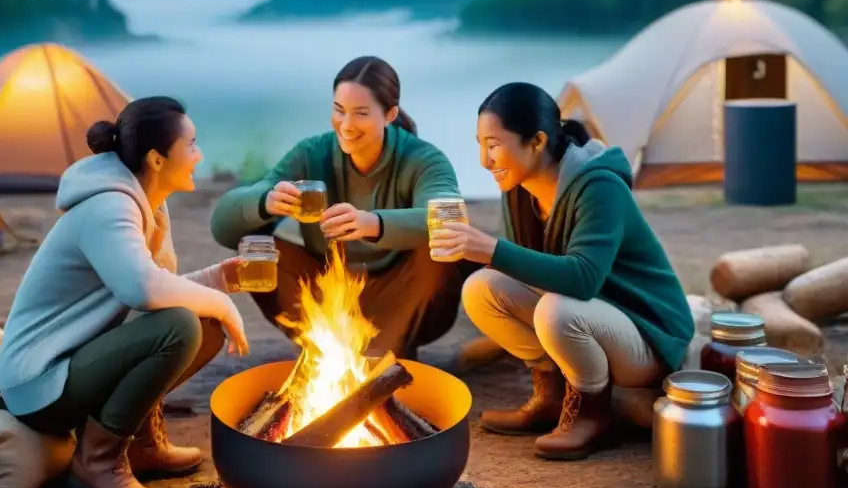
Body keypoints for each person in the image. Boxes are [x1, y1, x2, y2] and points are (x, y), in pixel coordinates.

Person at [0, 96, 250, 488]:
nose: (199, 155)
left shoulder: (146, 205)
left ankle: (142, 446)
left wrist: (217, 281)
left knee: (198, 322)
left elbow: (151, 292)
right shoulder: (109, 207)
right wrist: (223, 303)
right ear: (155, 158)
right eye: (191, 145)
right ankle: (96, 463)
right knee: (182, 326)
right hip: (39, 382)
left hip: (71, 362)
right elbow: (144, 293)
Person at [430, 82, 693, 461]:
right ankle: (550, 398)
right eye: (479, 144)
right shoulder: (519, 190)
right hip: (592, 318)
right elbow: (534, 273)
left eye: (493, 145)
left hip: (648, 336)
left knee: (554, 310)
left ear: (536, 142)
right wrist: (478, 255)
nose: (484, 161)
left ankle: (592, 413)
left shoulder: (599, 186)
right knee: (481, 289)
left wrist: (491, 249)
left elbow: (582, 278)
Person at [210, 56, 471, 357]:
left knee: (439, 250)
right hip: (330, 290)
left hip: (402, 294)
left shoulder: (423, 159)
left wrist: (372, 223)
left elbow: (450, 220)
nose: (346, 125)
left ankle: (389, 353)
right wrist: (264, 202)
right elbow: (223, 227)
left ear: (389, 114)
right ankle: (327, 350)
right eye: (339, 111)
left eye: (361, 113)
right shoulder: (312, 153)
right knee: (259, 249)